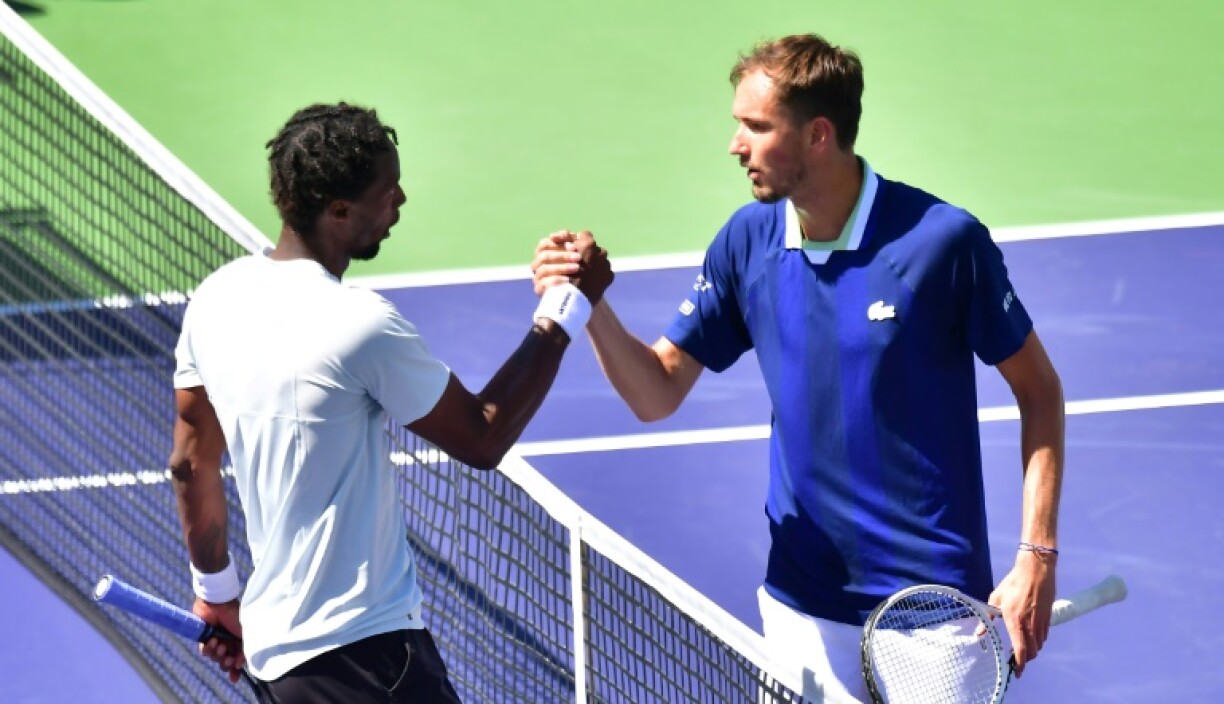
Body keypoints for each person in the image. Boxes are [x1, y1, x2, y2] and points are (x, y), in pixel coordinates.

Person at [532, 34, 1064, 702]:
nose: (736, 145)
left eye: (755, 127)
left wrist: (1036, 554)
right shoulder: (746, 241)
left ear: (817, 134)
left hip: (931, 613)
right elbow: (656, 392)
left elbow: (1039, 389)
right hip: (801, 608)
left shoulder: (941, 243)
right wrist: (593, 308)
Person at [168, 102, 612, 703]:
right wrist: (566, 308)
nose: (399, 200)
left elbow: (190, 464)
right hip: (371, 667)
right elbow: (482, 436)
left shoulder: (214, 301)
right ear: (340, 210)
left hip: (279, 673)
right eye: (387, 190)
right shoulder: (360, 324)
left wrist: (216, 592)